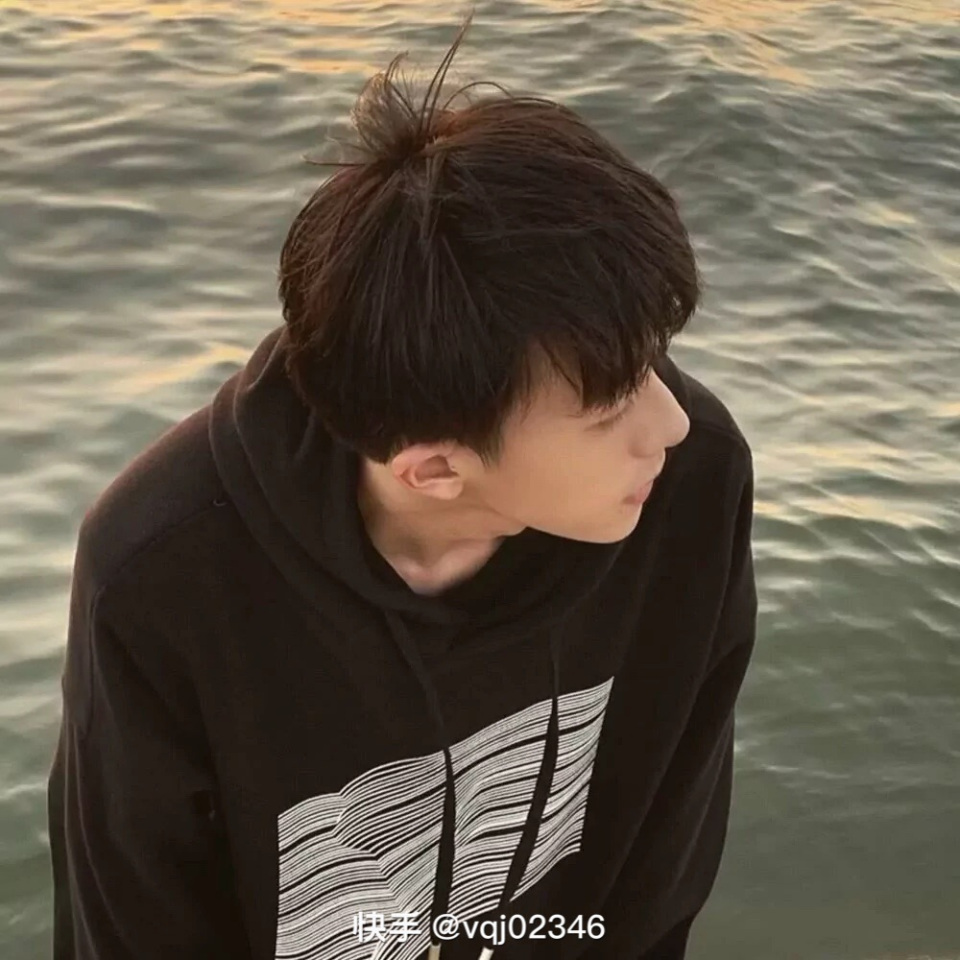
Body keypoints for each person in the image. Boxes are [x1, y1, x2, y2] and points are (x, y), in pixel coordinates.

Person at [47, 11, 757, 960]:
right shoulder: (162, 578)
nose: (669, 423)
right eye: (608, 408)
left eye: (653, 362)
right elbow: (136, 930)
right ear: (434, 468)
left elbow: (658, 877)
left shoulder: (688, 482)